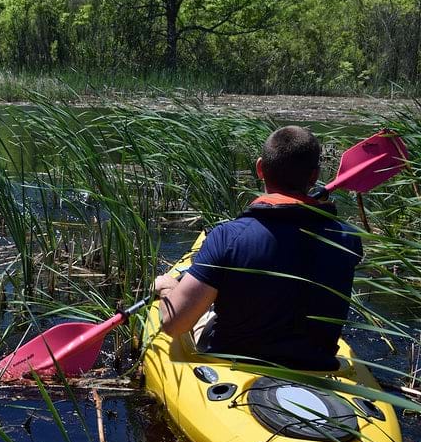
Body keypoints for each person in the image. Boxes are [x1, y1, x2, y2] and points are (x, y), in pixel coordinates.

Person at [154, 126, 363, 370]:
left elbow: (173, 324)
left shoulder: (228, 237)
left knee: (200, 308)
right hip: (315, 366)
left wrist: (168, 289)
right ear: (314, 176)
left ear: (260, 168)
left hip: (232, 363)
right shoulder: (348, 238)